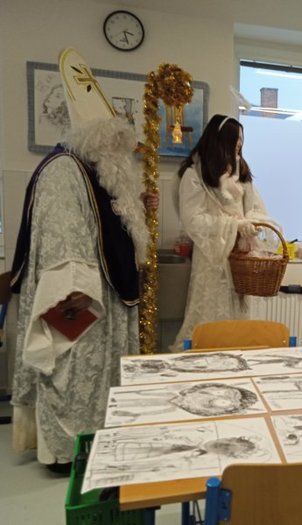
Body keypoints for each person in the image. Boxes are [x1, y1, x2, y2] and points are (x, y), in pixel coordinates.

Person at [9, 48, 154, 471]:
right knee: (72, 375)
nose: (124, 155)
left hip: (107, 298)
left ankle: (101, 437)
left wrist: (137, 206)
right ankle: (66, 451)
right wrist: (77, 302)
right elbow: (64, 243)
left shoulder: (96, 170)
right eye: (117, 144)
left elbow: (107, 220)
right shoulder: (63, 170)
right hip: (79, 302)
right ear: (97, 140)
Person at [172, 114, 274, 350]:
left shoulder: (241, 174)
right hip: (212, 262)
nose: (238, 149)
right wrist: (233, 226)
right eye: (234, 143)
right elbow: (193, 220)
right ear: (220, 142)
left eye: (240, 144)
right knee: (212, 324)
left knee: (240, 326)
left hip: (240, 263)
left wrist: (252, 224)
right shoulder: (195, 175)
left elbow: (256, 208)